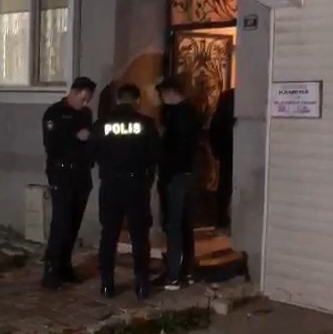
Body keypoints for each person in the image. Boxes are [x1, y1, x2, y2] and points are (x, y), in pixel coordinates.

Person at [90, 84, 160, 299]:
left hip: (111, 184)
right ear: (137, 101)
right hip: (136, 184)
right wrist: (148, 179)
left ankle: (107, 284)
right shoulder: (146, 124)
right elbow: (155, 155)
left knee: (108, 235)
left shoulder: (101, 124)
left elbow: (91, 154)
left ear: (118, 100)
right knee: (139, 236)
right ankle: (141, 284)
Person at [41, 76, 97, 291]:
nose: (85, 103)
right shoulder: (54, 113)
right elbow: (51, 144)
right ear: (73, 93)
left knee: (74, 222)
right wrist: (75, 137)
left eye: (88, 99)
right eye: (83, 98)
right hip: (61, 173)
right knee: (61, 222)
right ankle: (51, 271)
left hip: (81, 174)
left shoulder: (86, 114)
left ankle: (65, 267)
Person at [156, 76, 203, 291]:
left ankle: (173, 275)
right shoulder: (192, 112)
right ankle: (187, 271)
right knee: (184, 224)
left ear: (170, 93)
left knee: (173, 225)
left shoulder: (176, 116)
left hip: (175, 176)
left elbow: (172, 149)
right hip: (188, 174)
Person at [210, 88, 235, 231]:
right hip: (230, 150)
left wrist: (217, 151)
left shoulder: (228, 97)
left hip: (226, 151)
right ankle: (223, 219)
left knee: (225, 186)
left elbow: (215, 129)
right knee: (227, 185)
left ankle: (222, 219)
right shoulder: (231, 97)